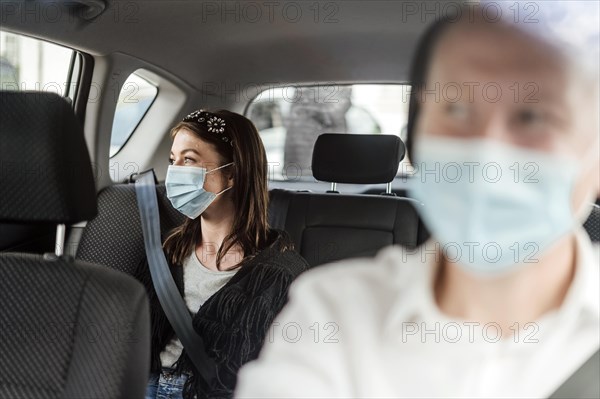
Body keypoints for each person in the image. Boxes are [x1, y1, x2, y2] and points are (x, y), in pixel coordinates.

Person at [234, 3, 600, 398]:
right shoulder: (331, 313)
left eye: (533, 116)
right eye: (455, 108)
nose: (486, 154)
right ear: (417, 140)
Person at [135, 109, 308, 399]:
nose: (175, 172)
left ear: (232, 174)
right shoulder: (167, 251)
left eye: (188, 160)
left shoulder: (280, 273)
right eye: (172, 161)